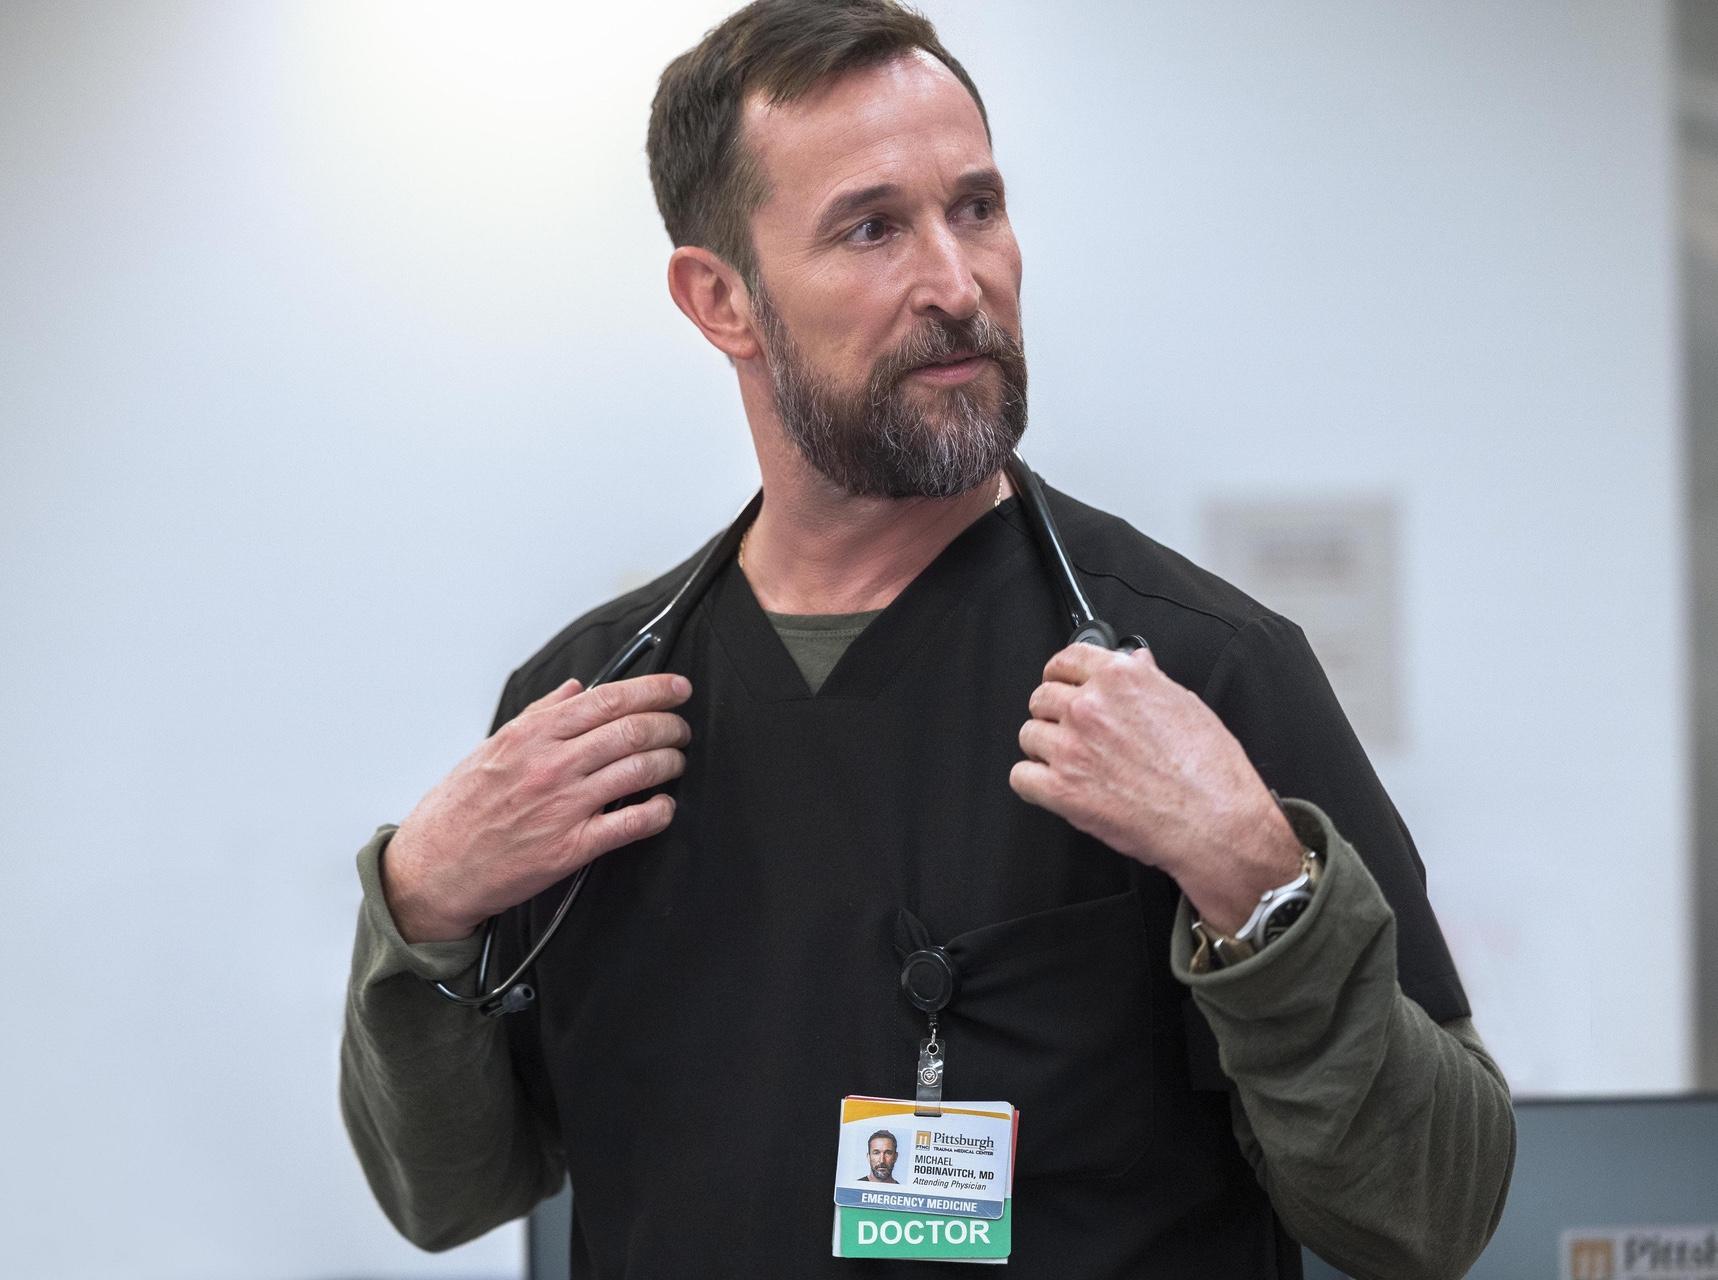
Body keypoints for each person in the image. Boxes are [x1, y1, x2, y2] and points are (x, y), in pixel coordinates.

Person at [340, 3, 1515, 1277]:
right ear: (720, 299)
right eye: (872, 228)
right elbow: (446, 1189)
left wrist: (1258, 879)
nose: (958, 285)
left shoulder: (1196, 671)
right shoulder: (591, 717)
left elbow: (1427, 1212)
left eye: (976, 208)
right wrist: (420, 904)